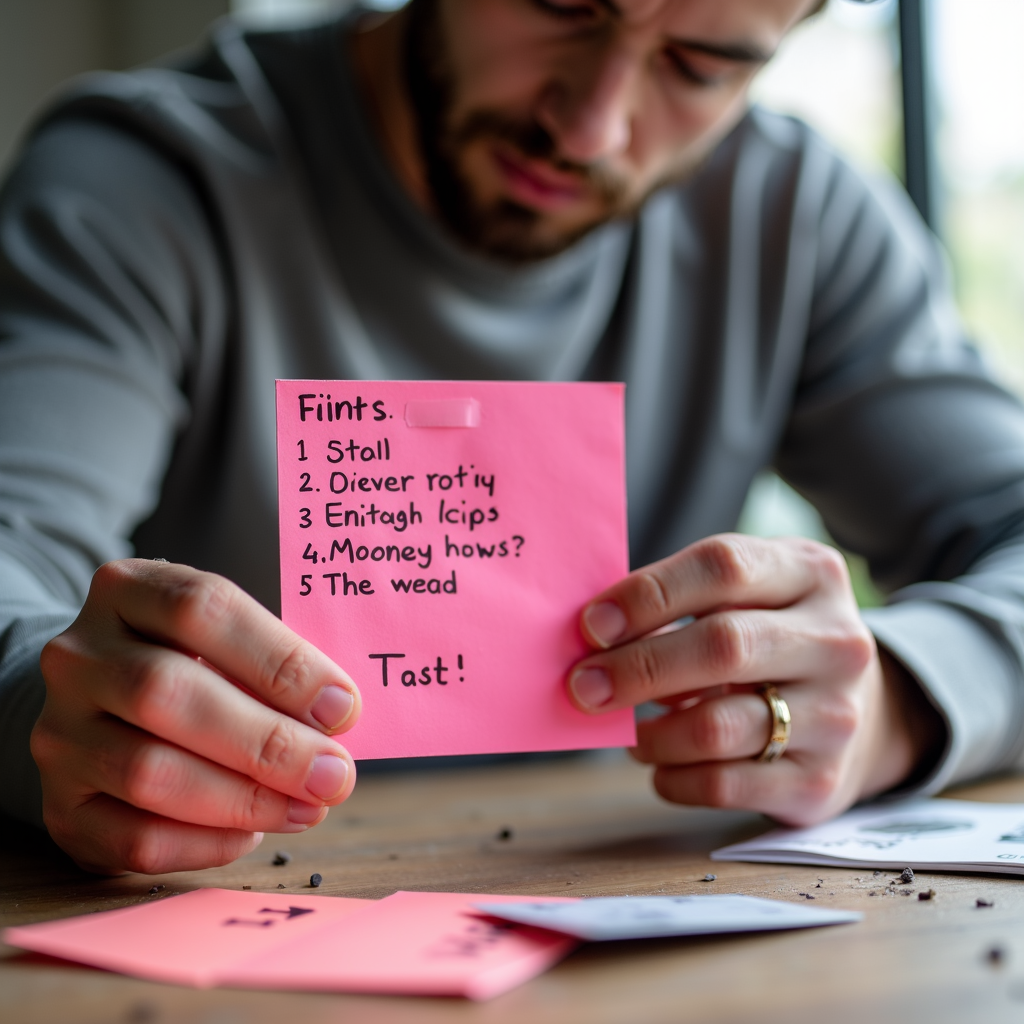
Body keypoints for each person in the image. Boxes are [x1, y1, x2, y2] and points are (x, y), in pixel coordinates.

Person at [1, 0, 1022, 877]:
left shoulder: (793, 224)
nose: (589, 127)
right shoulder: (146, 185)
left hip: (626, 894)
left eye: (699, 66)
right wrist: (38, 713)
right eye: (563, 5)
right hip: (217, 920)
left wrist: (897, 700)